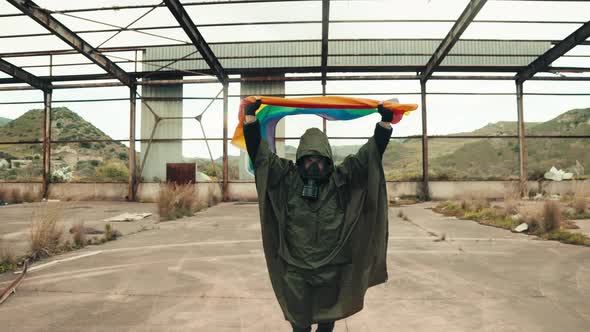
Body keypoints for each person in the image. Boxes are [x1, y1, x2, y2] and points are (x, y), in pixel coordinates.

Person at [243, 98, 393, 332]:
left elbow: (369, 156)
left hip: (331, 270)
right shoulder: (287, 178)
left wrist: (384, 124)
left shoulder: (341, 179)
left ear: (328, 160)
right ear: (300, 159)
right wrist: (250, 121)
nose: (314, 167)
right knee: (299, 325)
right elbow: (261, 156)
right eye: (308, 161)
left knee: (326, 322)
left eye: (319, 161)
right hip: (295, 270)